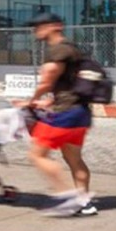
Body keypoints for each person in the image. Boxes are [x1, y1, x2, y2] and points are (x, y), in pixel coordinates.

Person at [24, 11, 96, 217]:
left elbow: (47, 81)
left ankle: (67, 198)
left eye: (39, 26)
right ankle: (84, 202)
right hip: (80, 112)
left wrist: (31, 100)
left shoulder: (58, 50)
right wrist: (48, 101)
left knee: (37, 155)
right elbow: (70, 84)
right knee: (74, 159)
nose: (36, 30)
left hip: (65, 113)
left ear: (55, 26)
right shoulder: (72, 49)